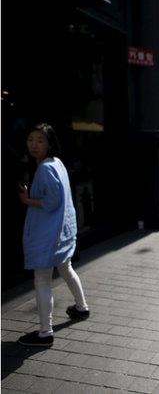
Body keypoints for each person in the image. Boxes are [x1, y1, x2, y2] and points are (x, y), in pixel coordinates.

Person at [17, 123, 90, 348]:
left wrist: (27, 200)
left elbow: (51, 202)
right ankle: (81, 307)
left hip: (47, 234)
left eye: (40, 140)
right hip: (61, 232)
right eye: (31, 139)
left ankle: (45, 332)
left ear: (49, 143)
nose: (34, 144)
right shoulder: (57, 163)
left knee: (42, 280)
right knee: (66, 269)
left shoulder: (45, 168)